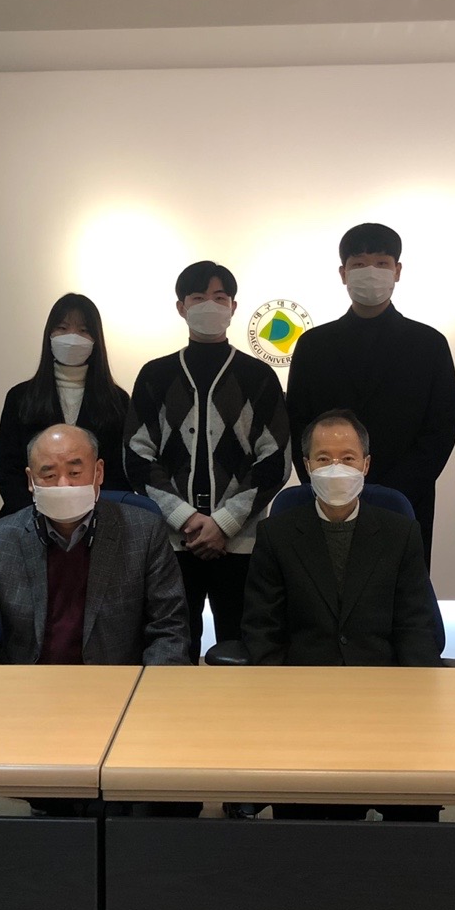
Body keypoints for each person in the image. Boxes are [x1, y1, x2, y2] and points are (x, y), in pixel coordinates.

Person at [124, 261, 291, 661]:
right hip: (172, 542)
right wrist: (185, 518)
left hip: (241, 542)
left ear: (234, 307)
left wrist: (225, 522)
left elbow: (276, 458)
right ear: (181, 307)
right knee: (172, 646)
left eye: (219, 297)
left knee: (241, 649)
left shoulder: (258, 376)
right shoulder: (155, 375)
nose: (209, 306)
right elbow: (136, 454)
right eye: (198, 298)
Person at [0, 425, 189, 665]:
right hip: (27, 682)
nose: (63, 485)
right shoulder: (1, 538)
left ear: (98, 472)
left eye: (74, 472)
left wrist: (152, 687)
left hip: (114, 683)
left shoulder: (144, 532)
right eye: (49, 475)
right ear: (31, 480)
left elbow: (169, 628)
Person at [286, 223, 455, 558]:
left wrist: (389, 494)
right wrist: (329, 485)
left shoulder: (429, 344)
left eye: (381, 263)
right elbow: (298, 425)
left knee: (402, 586)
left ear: (397, 271)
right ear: (343, 273)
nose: (371, 271)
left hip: (406, 502)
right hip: (328, 499)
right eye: (359, 263)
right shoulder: (313, 345)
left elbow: (439, 430)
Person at [243, 409, 445, 666]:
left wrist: (417, 684)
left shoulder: (401, 534)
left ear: (365, 465)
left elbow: (415, 627)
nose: (336, 469)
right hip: (303, 678)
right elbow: (262, 630)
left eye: (348, 458)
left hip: (378, 676)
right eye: (323, 459)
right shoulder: (275, 535)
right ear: (307, 466)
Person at [0, 293, 131, 516]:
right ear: (49, 334)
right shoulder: (20, 397)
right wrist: (37, 516)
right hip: (29, 517)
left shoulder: (117, 400)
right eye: (63, 328)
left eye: (83, 330)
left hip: (99, 518)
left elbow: (119, 472)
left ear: (96, 339)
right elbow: (8, 467)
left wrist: (92, 516)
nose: (72, 337)